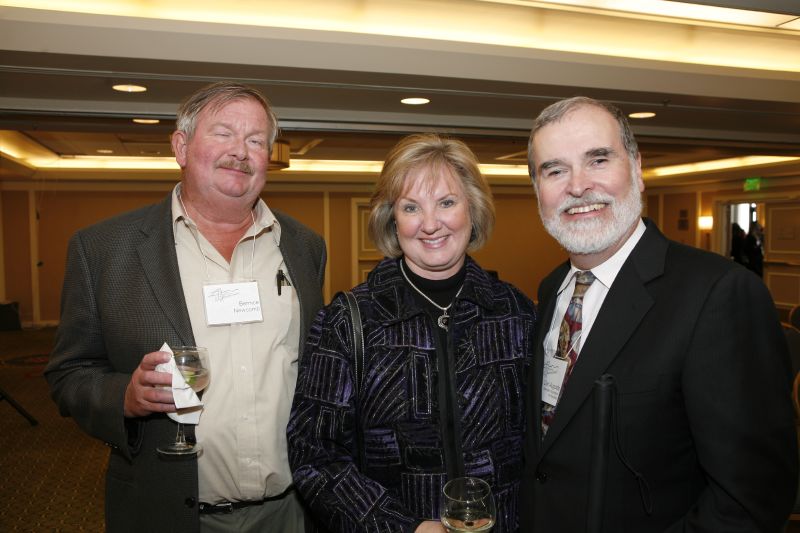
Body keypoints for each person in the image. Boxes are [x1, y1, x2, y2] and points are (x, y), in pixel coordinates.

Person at [45, 82, 326, 532]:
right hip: (170, 513)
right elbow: (68, 373)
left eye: (256, 141)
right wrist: (126, 397)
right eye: (223, 133)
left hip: (292, 511)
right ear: (181, 145)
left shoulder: (304, 247)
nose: (241, 151)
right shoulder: (103, 250)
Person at [520, 96, 797, 532]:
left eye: (598, 160)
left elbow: (750, 500)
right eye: (554, 170)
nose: (577, 186)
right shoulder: (551, 288)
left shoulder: (718, 294)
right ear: (538, 189)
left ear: (636, 169)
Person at [288, 133, 536, 532]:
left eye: (447, 202)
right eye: (411, 207)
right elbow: (315, 455)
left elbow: (543, 445)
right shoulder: (349, 322)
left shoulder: (514, 314)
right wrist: (405, 527)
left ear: (472, 207)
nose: (431, 224)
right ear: (392, 218)